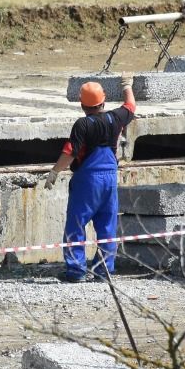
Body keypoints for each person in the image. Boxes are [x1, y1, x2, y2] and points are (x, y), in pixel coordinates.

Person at [45, 76, 135, 282]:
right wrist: (127, 86)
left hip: (88, 180)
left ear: (82, 105)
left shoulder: (82, 124)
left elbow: (70, 152)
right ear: (103, 101)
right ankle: (104, 271)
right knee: (107, 225)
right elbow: (131, 105)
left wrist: (55, 171)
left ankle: (76, 271)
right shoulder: (116, 118)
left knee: (76, 224)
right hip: (110, 179)